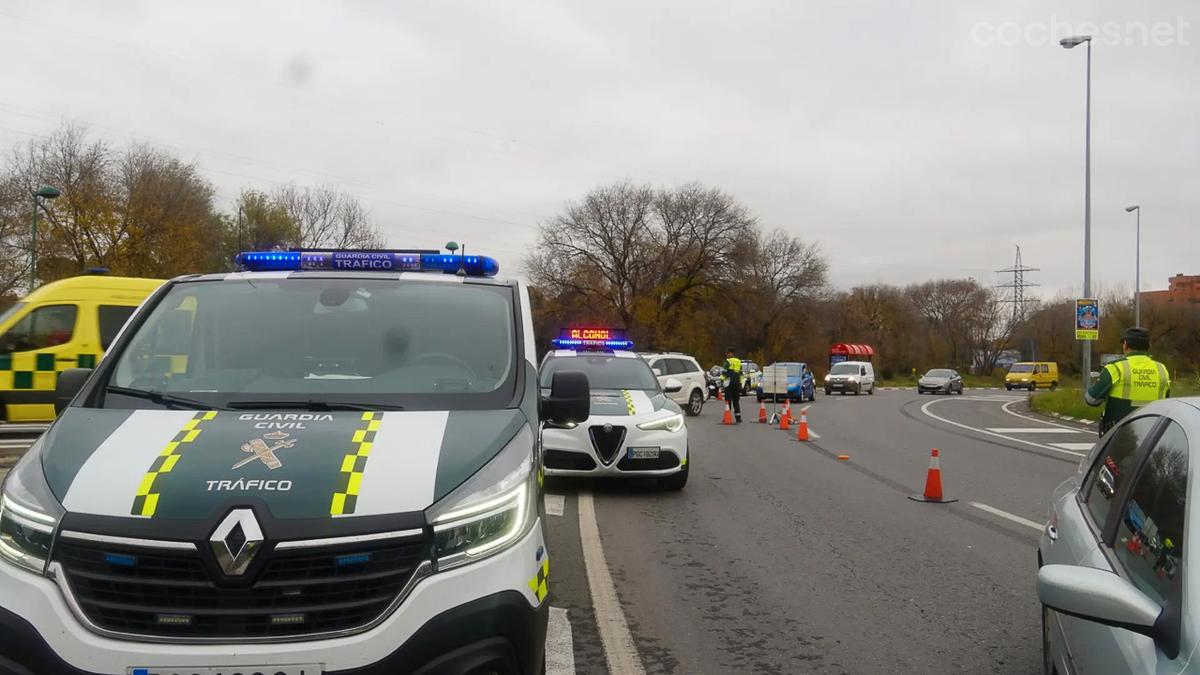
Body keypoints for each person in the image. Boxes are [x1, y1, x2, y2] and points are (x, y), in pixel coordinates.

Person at [1085, 327, 1170, 435]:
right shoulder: (1162, 369)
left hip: (1119, 433)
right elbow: (1167, 402)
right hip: (1153, 435)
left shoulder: (1115, 367)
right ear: (1149, 346)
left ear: (1125, 344)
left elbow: (1091, 399)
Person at [722, 348, 743, 423]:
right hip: (737, 383)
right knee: (736, 401)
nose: (726, 355)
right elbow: (741, 373)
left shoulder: (727, 361)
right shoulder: (738, 361)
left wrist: (722, 381)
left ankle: (727, 417)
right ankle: (738, 418)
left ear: (731, 353)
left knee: (728, 401)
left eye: (727, 353)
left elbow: (723, 372)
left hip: (729, 383)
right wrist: (740, 383)